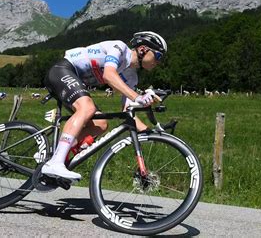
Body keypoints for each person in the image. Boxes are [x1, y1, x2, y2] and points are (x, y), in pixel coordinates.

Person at [42, 31, 167, 182]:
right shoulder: (120, 48)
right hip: (63, 69)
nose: (159, 62)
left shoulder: (131, 76)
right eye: (159, 56)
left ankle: (52, 153)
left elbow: (128, 110)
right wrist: (138, 97)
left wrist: (152, 133)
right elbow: (109, 75)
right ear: (143, 49)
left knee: (100, 124)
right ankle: (56, 162)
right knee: (87, 107)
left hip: (75, 81)